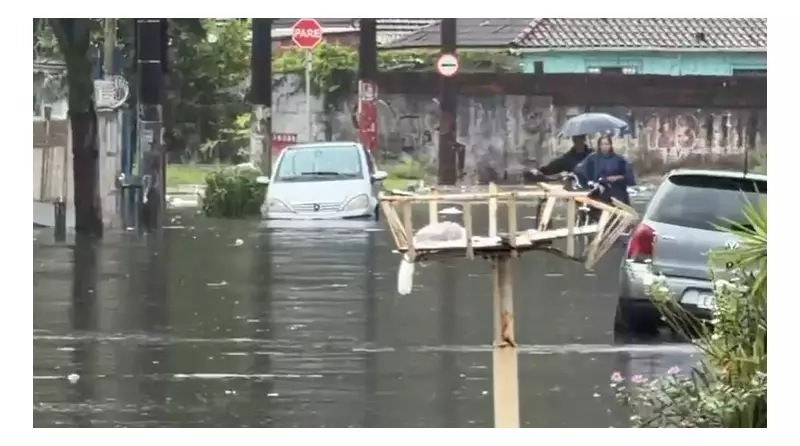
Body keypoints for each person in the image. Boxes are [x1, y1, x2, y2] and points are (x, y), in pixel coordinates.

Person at [574, 135, 636, 206]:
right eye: (602, 144)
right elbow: (580, 170)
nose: (604, 146)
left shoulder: (619, 159)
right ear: (599, 145)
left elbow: (628, 176)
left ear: (610, 145)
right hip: (599, 191)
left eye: (606, 144)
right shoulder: (592, 158)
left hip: (616, 191)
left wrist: (617, 177)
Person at [528, 135, 593, 177]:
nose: (577, 142)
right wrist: (539, 171)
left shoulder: (593, 156)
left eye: (579, 139)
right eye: (575, 139)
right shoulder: (568, 158)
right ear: (573, 140)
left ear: (584, 139)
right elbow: (552, 166)